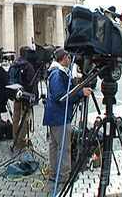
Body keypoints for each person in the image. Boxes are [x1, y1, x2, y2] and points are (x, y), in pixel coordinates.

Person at [43, 47, 92, 183]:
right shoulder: (57, 74)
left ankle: (54, 173)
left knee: (55, 146)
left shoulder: (56, 72)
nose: (70, 60)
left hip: (55, 116)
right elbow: (61, 96)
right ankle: (64, 176)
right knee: (63, 148)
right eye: (69, 57)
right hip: (59, 116)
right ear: (64, 58)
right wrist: (81, 93)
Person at [10, 46, 35, 150]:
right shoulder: (28, 66)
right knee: (25, 118)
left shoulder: (14, 64)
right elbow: (31, 82)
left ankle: (15, 138)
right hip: (26, 96)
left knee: (16, 117)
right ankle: (21, 140)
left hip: (16, 94)